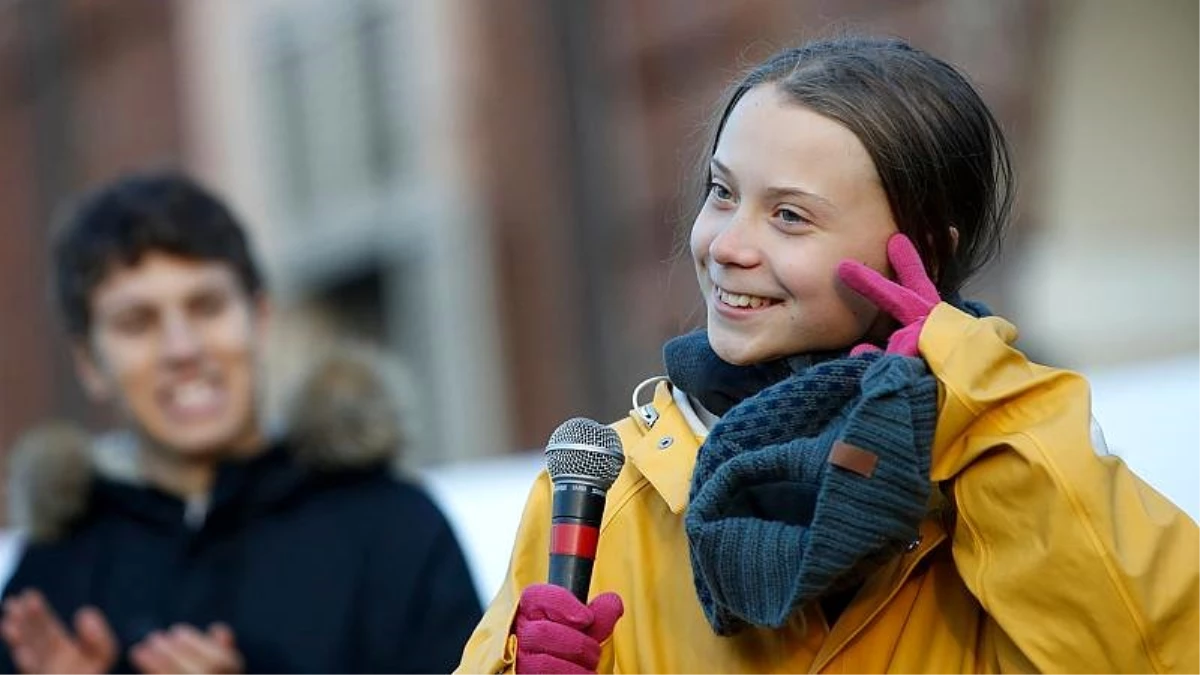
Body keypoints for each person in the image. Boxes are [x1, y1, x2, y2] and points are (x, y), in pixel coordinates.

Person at [456, 35, 1200, 674]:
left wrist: (977, 394)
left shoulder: (1014, 454)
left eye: (788, 215)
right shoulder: (603, 495)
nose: (727, 246)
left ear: (918, 252)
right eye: (722, 192)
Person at [0, 172, 482, 675]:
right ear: (89, 364)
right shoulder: (52, 577)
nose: (182, 349)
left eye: (206, 306)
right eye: (137, 322)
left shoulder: (394, 529)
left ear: (260, 318)